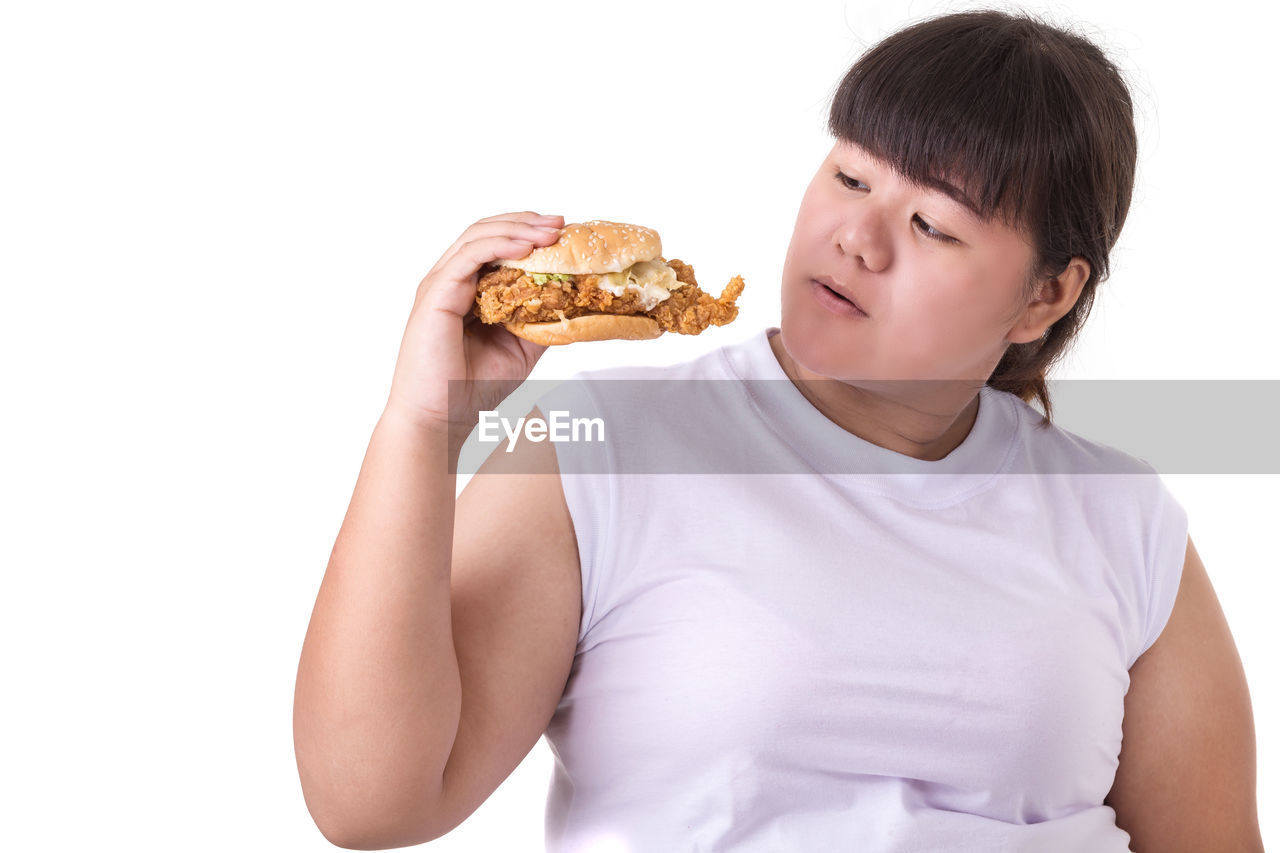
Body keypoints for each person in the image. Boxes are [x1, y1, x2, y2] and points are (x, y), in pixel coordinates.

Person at [293, 9, 1263, 852]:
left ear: (1043, 296)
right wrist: (422, 423)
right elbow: (369, 800)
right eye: (849, 177)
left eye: (930, 224)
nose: (857, 238)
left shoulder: (1118, 516)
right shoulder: (599, 446)